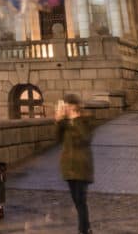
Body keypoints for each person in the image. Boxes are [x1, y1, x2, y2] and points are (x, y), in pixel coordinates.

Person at [56, 94, 95, 234]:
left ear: (74, 106)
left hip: (82, 166)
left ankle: (83, 230)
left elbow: (85, 138)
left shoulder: (85, 121)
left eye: (68, 105)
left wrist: (75, 119)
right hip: (69, 167)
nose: (66, 108)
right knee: (77, 201)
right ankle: (86, 227)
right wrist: (59, 121)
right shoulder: (65, 123)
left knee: (81, 199)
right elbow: (57, 139)